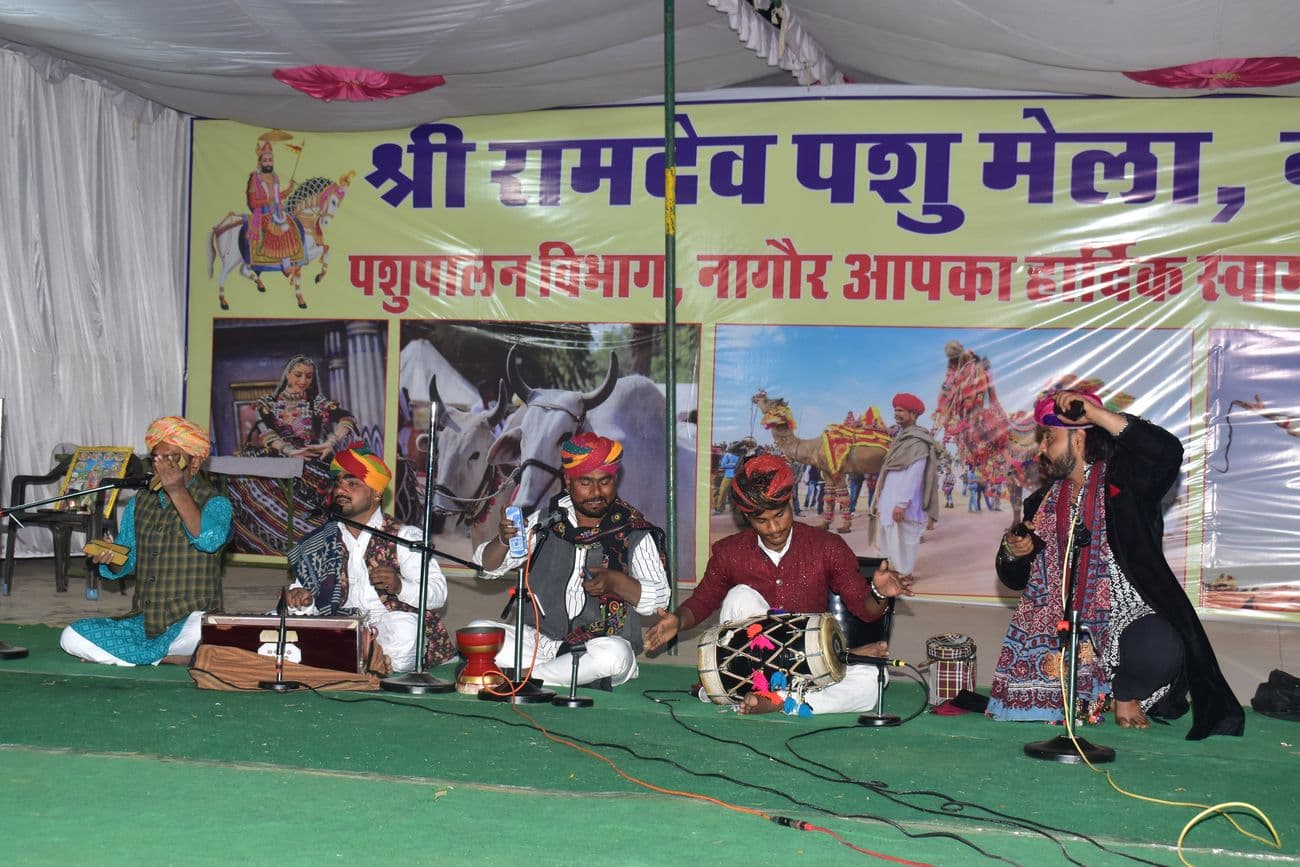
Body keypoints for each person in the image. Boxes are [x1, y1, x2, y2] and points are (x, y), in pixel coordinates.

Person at [988, 388, 1243, 739]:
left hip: (1126, 624)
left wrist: (1096, 415)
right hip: (1065, 630)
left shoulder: (1128, 485)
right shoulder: (1040, 504)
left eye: (1049, 438)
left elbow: (1167, 452)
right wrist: (1013, 553)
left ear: (1078, 439)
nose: (1042, 449)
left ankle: (1126, 695)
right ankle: (1083, 692)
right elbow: (1016, 579)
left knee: (1162, 644)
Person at [644, 454, 914, 715]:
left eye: (779, 515)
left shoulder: (827, 547)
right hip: (752, 666)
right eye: (761, 521)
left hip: (812, 665)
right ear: (746, 518)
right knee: (739, 597)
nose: (773, 528)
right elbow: (703, 600)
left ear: (790, 503)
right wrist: (677, 621)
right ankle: (766, 693)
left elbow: (865, 608)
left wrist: (879, 592)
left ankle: (779, 700)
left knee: (873, 679)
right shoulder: (729, 552)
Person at [471, 432, 669, 689]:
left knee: (614, 657)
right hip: (540, 644)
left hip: (598, 647)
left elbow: (659, 600)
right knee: (478, 631)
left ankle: (525, 679)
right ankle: (552, 675)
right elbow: (487, 568)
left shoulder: (635, 531)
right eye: (585, 482)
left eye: (605, 481)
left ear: (615, 479)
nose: (596, 492)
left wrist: (616, 582)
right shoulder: (545, 521)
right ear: (567, 481)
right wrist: (502, 539)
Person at [61, 417, 232, 666]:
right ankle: (170, 657)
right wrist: (111, 559)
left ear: (194, 462)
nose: (162, 466)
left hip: (191, 620)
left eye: (172, 458)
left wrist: (176, 491)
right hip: (145, 621)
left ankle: (149, 654)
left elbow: (209, 540)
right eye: (157, 459)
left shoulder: (216, 503)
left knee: (207, 630)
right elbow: (127, 561)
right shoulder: (140, 502)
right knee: (71, 637)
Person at [284, 447, 453, 672]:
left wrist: (401, 586)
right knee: (277, 620)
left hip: (387, 626)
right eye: (337, 483)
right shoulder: (320, 540)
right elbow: (304, 592)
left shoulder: (404, 536)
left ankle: (350, 660)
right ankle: (364, 661)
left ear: (376, 493)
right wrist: (301, 599)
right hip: (339, 625)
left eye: (352, 483)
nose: (340, 488)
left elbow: (438, 594)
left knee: (407, 631)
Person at [228, 354, 360, 554]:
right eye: (298, 375)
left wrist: (329, 442)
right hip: (280, 455)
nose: (303, 381)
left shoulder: (317, 402)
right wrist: (291, 451)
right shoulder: (268, 404)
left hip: (315, 459)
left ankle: (310, 546)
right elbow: (268, 434)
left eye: (308, 376)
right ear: (287, 374)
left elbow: (347, 418)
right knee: (244, 471)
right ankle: (268, 539)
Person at [867, 394, 940, 578]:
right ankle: (890, 571)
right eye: (895, 410)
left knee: (904, 539)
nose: (896, 414)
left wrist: (901, 503)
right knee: (887, 537)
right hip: (889, 500)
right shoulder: (900, 439)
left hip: (904, 502)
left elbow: (915, 475)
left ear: (913, 414)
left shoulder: (918, 441)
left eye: (900, 410)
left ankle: (904, 574)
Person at [245, 138, 302, 267]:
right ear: (259, 162)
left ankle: (289, 262)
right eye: (265, 160)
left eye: (270, 160)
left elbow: (277, 196)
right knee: (283, 230)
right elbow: (253, 203)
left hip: (277, 211)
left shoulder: (275, 176)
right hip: (263, 213)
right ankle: (285, 265)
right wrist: (268, 200)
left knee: (292, 223)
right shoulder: (255, 178)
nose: (268, 163)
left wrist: (289, 189)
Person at [714, 445, 742, 513]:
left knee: (737, 494)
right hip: (728, 476)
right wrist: (734, 465)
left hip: (738, 477)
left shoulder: (741, 456)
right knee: (723, 492)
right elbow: (723, 465)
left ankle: (736, 509)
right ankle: (719, 508)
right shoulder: (727, 455)